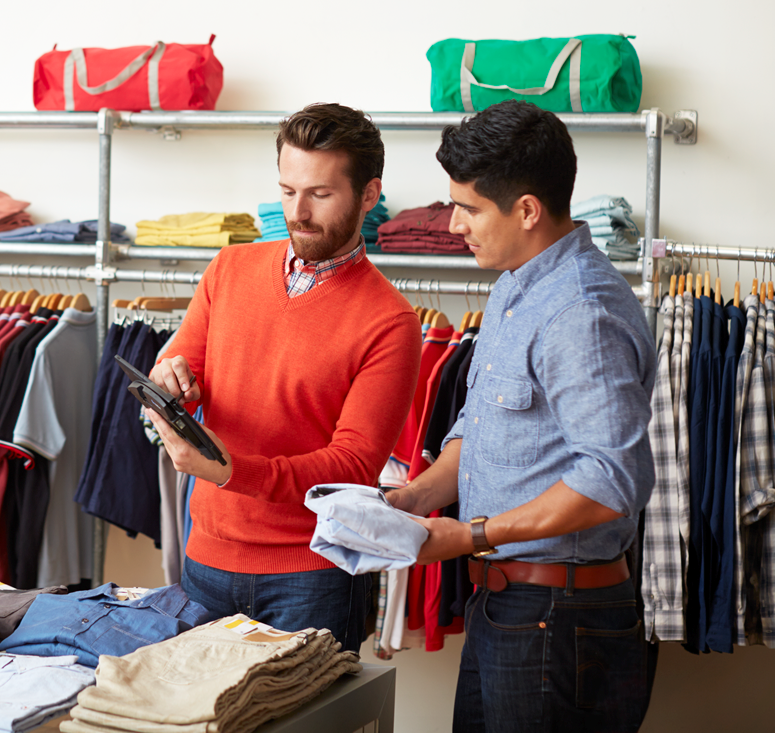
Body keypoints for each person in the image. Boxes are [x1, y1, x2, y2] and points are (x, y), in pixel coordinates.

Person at [386, 99, 656, 732]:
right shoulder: (513, 284)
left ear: (528, 210)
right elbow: (479, 434)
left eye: (470, 208)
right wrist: (415, 497)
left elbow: (611, 479)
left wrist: (472, 536)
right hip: (509, 606)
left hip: (561, 616)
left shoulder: (581, 314)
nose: (454, 225)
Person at [144, 102, 422, 653]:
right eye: (287, 190)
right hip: (206, 560)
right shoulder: (230, 269)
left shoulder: (391, 322)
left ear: (369, 195)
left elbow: (351, 467)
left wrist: (231, 472)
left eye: (320, 194)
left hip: (313, 576)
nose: (298, 211)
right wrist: (169, 380)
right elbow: (177, 366)